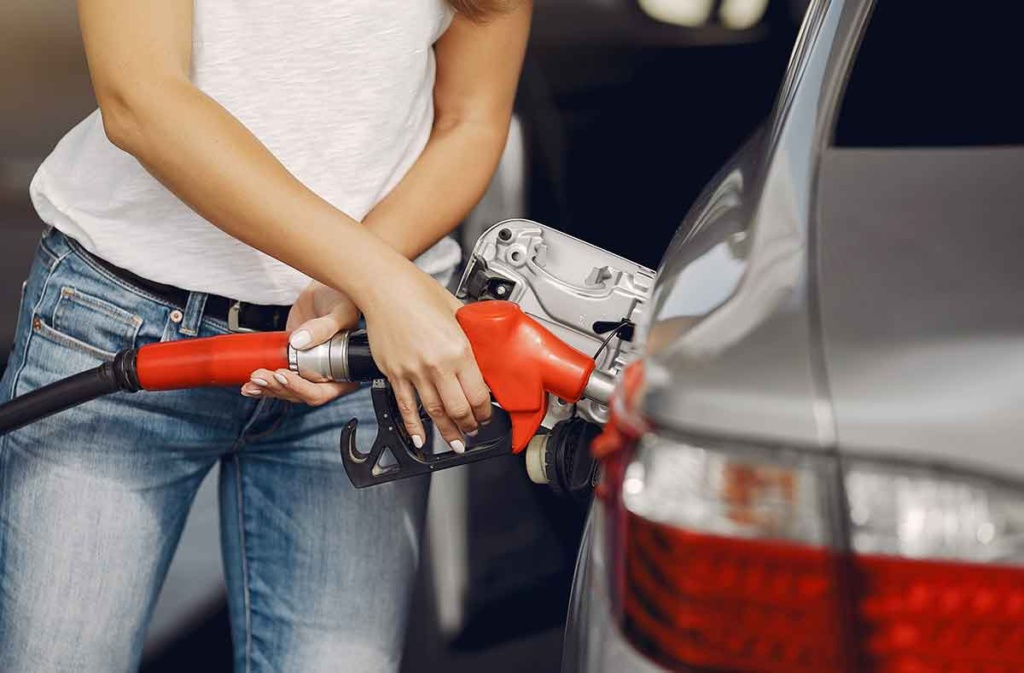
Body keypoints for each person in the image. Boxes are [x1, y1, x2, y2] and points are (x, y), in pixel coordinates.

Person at [0, 0, 531, 670]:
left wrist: (358, 284)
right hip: (122, 325)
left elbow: (470, 120)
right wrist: (376, 277)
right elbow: (139, 96)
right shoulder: (375, 283)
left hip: (357, 357)